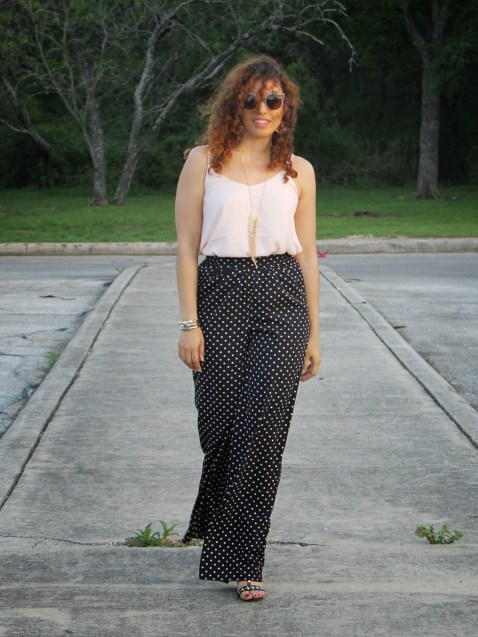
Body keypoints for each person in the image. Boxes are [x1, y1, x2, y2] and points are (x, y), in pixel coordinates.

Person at [175, 55, 320, 602]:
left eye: (273, 100)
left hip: (283, 299)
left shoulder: (299, 171)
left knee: (263, 429)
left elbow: (307, 255)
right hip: (220, 293)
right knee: (219, 426)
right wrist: (189, 323)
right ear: (235, 104)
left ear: (286, 108)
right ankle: (219, 521)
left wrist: (314, 333)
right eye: (252, 99)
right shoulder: (203, 161)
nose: (263, 109)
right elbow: (186, 246)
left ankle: (243, 557)